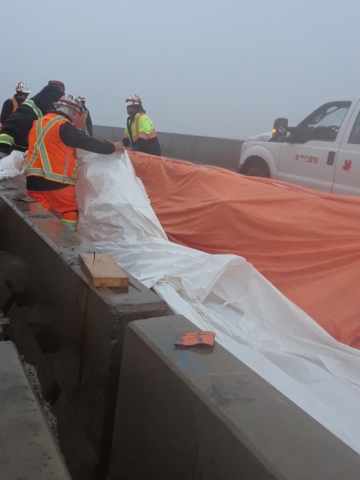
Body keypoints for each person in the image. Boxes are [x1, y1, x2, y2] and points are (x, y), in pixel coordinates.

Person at [25, 94, 124, 230]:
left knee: (39, 218)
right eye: (78, 115)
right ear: (72, 112)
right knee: (69, 212)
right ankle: (65, 244)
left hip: (33, 182)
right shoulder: (63, 126)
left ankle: (40, 243)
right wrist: (113, 147)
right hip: (57, 183)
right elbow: (88, 143)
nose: (78, 119)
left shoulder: (39, 123)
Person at [0, 80, 65, 158]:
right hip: (9, 146)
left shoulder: (39, 110)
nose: (25, 97)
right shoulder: (20, 107)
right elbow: (7, 124)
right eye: (24, 95)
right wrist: (3, 150)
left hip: (19, 149)